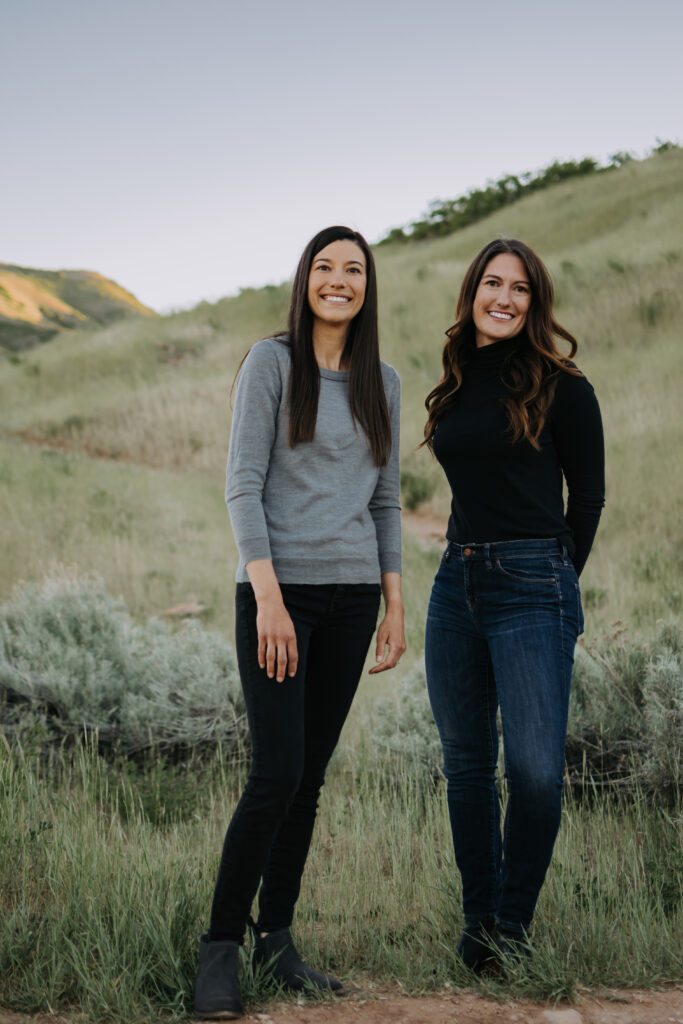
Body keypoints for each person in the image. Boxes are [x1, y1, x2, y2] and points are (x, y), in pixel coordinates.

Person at [194, 226, 405, 1018]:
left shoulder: (379, 380)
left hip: (352, 600)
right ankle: (220, 948)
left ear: (366, 287)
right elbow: (241, 486)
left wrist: (393, 600)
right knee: (275, 772)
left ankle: (276, 941)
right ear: (305, 279)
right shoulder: (271, 363)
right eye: (325, 267)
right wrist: (269, 597)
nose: (339, 281)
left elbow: (384, 501)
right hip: (278, 598)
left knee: (309, 778)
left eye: (353, 270)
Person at [422, 238, 605, 972]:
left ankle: (513, 923)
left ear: (536, 302)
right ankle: (479, 930)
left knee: (532, 771)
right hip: (454, 584)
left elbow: (586, 498)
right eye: (491, 283)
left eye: (520, 288)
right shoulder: (457, 380)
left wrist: (556, 579)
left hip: (534, 582)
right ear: (471, 293)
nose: (503, 297)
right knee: (466, 766)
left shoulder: (564, 386)